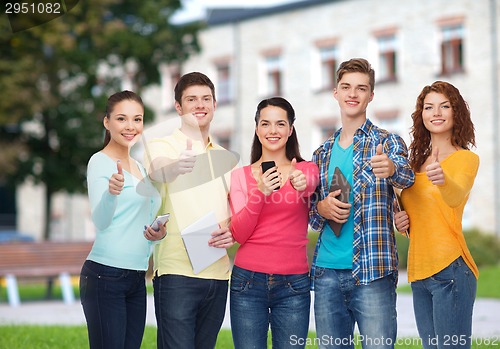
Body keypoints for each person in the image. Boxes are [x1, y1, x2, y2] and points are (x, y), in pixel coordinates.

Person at [309, 58, 415, 349]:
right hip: (327, 272)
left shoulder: (387, 142)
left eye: (361, 88)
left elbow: (408, 177)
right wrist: (321, 208)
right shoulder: (321, 153)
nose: (352, 94)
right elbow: (312, 216)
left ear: (371, 95)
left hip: (373, 271)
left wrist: (391, 169)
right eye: (346, 87)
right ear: (335, 93)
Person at [144, 72, 236, 349]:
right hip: (177, 274)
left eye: (206, 98)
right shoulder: (163, 145)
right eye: (192, 99)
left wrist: (232, 232)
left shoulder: (224, 157)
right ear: (178, 107)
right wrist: (176, 166)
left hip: (218, 274)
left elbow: (234, 212)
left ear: (215, 104)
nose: (200, 104)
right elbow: (157, 168)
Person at [228, 97, 319, 348]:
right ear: (257, 129)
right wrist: (260, 192)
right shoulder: (240, 176)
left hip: (293, 284)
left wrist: (302, 185)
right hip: (247, 282)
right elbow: (239, 234)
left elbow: (310, 184)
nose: (273, 131)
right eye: (265, 124)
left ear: (290, 130)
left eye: (280, 124)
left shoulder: (307, 169)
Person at [394, 81, 479, 349]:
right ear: (422, 115)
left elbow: (455, 196)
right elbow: (418, 214)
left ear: (456, 113)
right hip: (419, 274)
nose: (437, 112)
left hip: (451, 270)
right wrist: (401, 220)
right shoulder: (414, 163)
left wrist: (442, 180)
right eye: (429, 107)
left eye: (445, 106)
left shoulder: (465, 159)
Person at [80, 90, 166, 349]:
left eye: (137, 119)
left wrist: (157, 234)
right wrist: (111, 193)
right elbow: (102, 221)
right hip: (105, 276)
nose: (131, 126)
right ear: (107, 122)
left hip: (136, 276)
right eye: (122, 119)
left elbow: (140, 219)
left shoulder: (139, 167)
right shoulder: (100, 162)